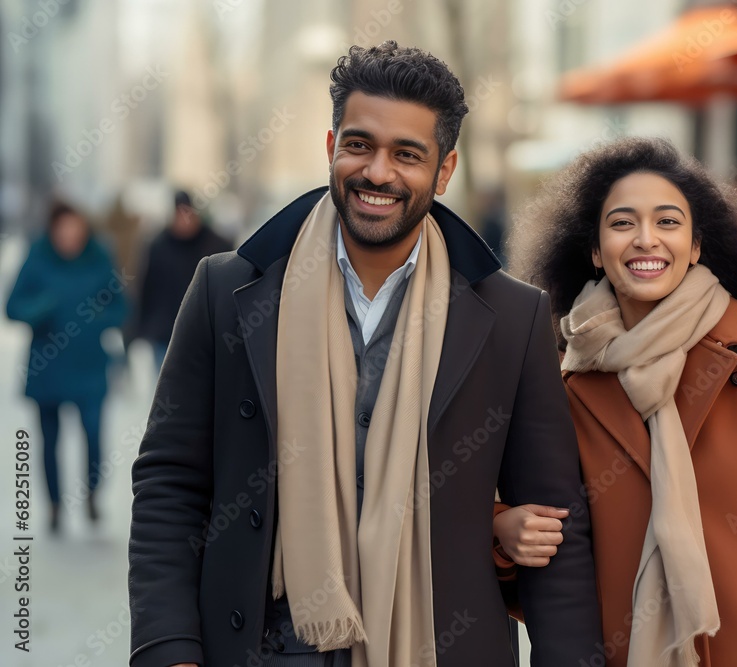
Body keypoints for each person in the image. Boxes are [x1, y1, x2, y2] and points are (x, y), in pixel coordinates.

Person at [128, 42, 603, 667]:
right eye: (359, 145)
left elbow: (553, 526)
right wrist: (170, 651)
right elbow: (170, 482)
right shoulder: (227, 289)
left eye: (407, 154)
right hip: (263, 647)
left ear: (444, 170)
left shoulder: (513, 317)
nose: (378, 172)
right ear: (331, 148)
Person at [493, 137, 737, 666]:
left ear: (695, 245)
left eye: (668, 222)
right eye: (622, 223)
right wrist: (503, 531)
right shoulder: (559, 385)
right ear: (595, 250)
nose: (647, 239)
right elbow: (548, 551)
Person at [6, 201, 128, 530]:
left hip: (89, 366)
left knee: (92, 435)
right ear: (53, 231)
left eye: (76, 229)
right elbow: (12, 307)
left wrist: (100, 320)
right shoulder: (37, 256)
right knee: (49, 441)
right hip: (47, 366)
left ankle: (91, 494)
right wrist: (41, 308)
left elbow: (120, 306)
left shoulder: (99, 258)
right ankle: (55, 505)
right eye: (63, 230)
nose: (70, 236)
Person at [134, 190, 232, 371]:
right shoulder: (159, 246)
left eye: (188, 213)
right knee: (166, 390)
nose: (184, 220)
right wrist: (142, 327)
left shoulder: (217, 245)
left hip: (205, 334)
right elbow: (148, 287)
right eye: (179, 214)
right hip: (165, 333)